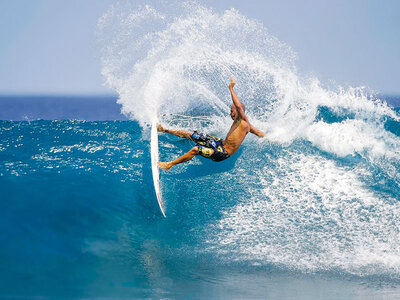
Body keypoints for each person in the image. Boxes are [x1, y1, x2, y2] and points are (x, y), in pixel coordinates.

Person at [158, 77, 265, 170]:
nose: (230, 114)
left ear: (239, 111)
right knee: (192, 135)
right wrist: (273, 137)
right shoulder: (247, 126)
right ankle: (163, 129)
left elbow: (238, 106)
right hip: (219, 143)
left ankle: (169, 165)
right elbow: (259, 133)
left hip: (222, 153)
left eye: (232, 111)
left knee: (195, 149)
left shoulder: (242, 120)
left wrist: (231, 88)